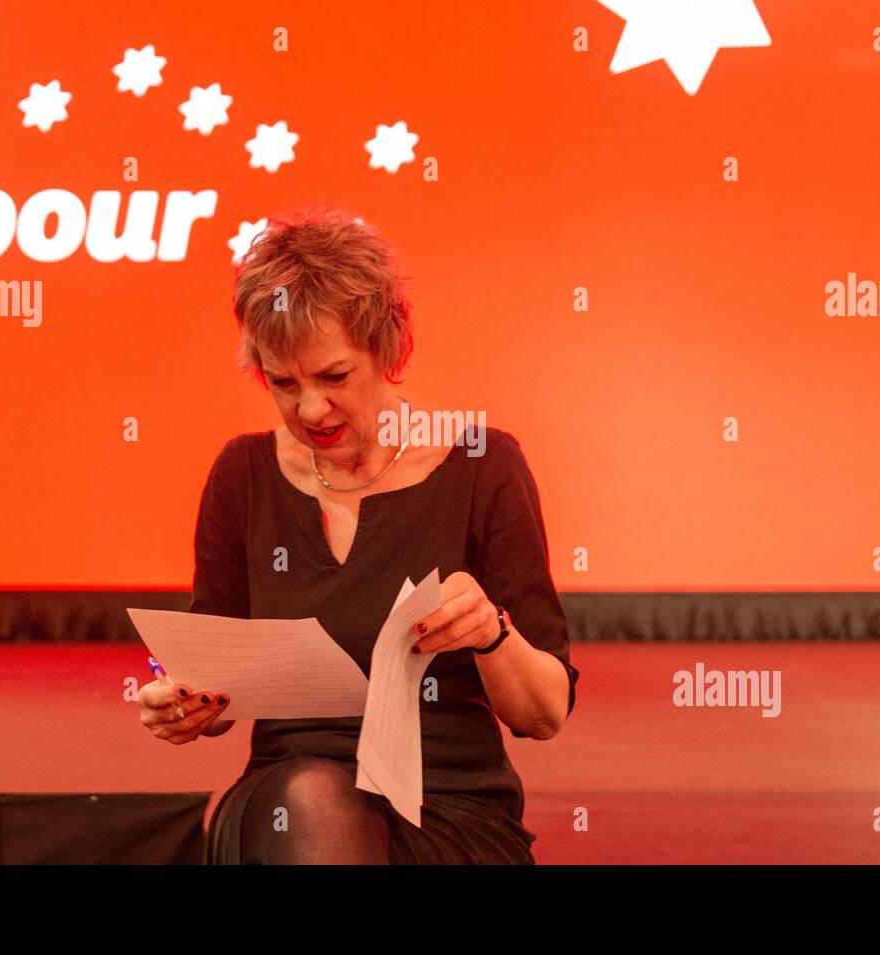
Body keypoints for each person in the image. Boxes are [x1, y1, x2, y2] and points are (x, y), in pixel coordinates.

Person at [138, 205, 578, 863]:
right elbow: (215, 682)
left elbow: (542, 714)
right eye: (282, 383)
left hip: (448, 805)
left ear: (391, 347)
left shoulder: (483, 465)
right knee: (311, 801)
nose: (310, 409)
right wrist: (185, 702)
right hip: (288, 794)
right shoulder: (243, 474)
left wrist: (491, 631)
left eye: (335, 377)